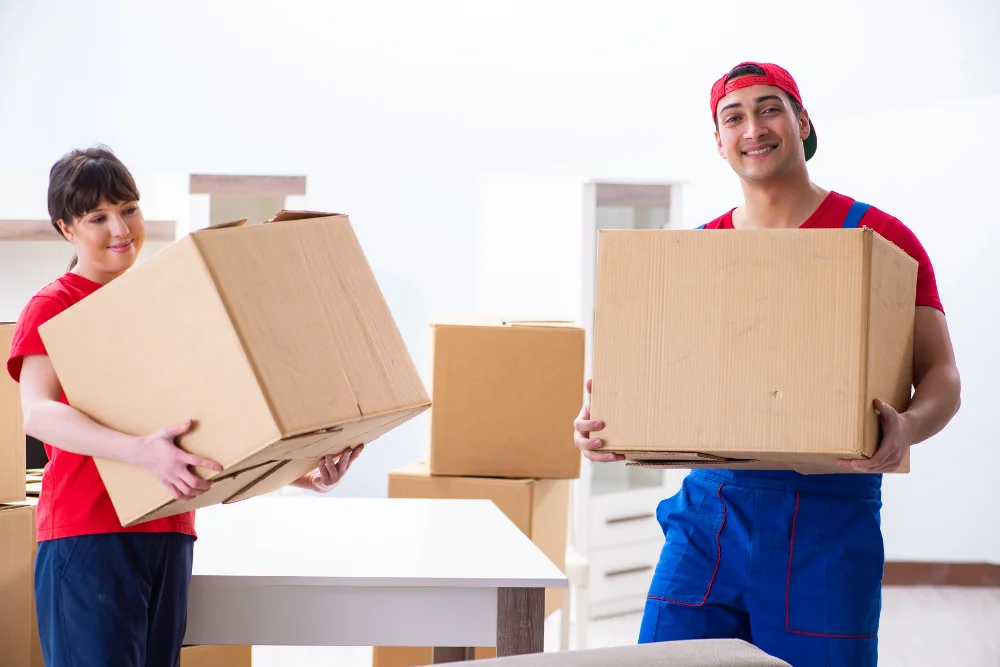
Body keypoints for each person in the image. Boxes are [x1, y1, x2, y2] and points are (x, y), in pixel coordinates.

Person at [573, 62, 961, 667]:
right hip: (710, 512)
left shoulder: (878, 238)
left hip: (829, 517)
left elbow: (941, 375)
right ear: (719, 140)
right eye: (735, 117)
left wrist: (907, 427)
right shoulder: (695, 253)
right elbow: (661, 376)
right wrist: (608, 420)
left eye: (770, 108)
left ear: (802, 121)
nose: (753, 127)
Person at [7, 145, 365, 667]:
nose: (120, 229)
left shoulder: (161, 302)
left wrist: (299, 473)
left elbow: (206, 426)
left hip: (169, 531)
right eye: (97, 217)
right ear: (66, 229)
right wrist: (139, 452)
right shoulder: (54, 304)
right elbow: (37, 413)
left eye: (128, 209)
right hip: (90, 533)